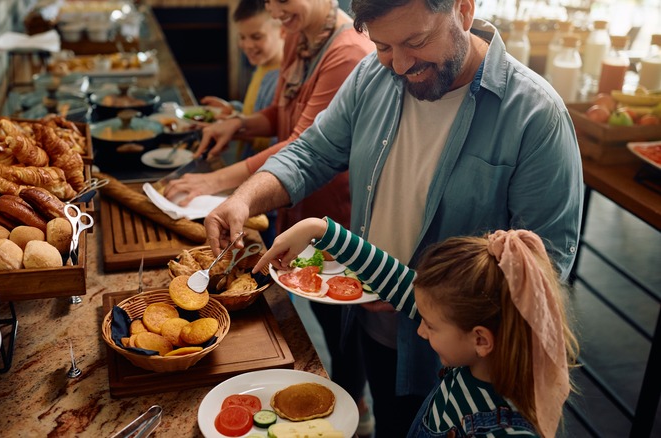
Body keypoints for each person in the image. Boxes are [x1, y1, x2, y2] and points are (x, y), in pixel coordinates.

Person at [200, 0, 583, 434]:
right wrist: (244, 198)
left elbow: (542, 271)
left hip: (468, 363)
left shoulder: (535, 116)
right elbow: (311, 153)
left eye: (416, 42)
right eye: (383, 46)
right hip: (374, 326)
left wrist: (422, 296)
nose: (399, 65)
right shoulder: (371, 75)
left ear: (463, 9)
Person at [164, 0, 376, 432]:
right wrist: (239, 124)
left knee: (343, 323)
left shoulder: (349, 52)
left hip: (335, 215)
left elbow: (305, 144)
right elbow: (284, 117)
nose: (276, 10)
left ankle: (354, 407)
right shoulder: (298, 34)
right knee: (316, 317)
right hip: (294, 207)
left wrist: (215, 182)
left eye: (283, 3)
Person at [253, 217, 579, 438]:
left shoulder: (504, 431)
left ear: (481, 339)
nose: (421, 331)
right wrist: (318, 228)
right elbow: (395, 279)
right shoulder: (475, 355)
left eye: (431, 326)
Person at [199, 0, 284, 162]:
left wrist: (235, 128)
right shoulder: (261, 66)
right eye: (242, 37)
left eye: (256, 37)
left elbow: (274, 142)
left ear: (283, 30)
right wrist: (231, 110)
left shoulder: (282, 78)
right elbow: (253, 112)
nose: (247, 45)